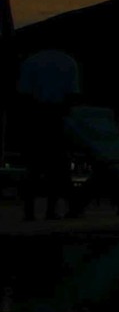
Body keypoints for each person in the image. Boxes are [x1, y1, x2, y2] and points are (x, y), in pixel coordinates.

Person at [16, 49, 81, 221]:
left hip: (36, 115)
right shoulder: (68, 62)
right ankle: (51, 211)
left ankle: (29, 212)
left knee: (34, 167)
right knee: (57, 168)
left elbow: (24, 94)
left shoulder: (31, 61)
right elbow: (72, 95)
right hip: (57, 116)